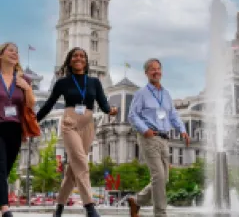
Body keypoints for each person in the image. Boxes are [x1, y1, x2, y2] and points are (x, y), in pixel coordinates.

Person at [36, 47, 117, 217]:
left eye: (81, 56)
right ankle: (89, 206)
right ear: (69, 61)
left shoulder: (94, 82)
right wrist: (33, 121)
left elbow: (103, 104)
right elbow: (49, 104)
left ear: (86, 61)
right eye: (75, 56)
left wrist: (111, 110)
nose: (78, 58)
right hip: (70, 122)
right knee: (81, 161)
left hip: (88, 124)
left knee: (73, 170)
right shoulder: (62, 83)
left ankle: (59, 206)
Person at [128, 58, 190, 217]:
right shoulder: (141, 94)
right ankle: (160, 213)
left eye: (158, 69)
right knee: (159, 176)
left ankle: (137, 201)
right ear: (146, 73)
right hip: (149, 138)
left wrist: (182, 130)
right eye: (152, 69)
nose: (156, 72)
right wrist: (144, 130)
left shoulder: (166, 94)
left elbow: (173, 115)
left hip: (164, 139)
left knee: (164, 179)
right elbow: (132, 115)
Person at [0, 42, 35, 217]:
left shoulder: (23, 79)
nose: (14, 53)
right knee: (0, 165)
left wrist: (27, 88)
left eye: (17, 51)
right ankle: (5, 208)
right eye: (10, 50)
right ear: (1, 55)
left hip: (14, 128)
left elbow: (30, 104)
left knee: (5, 169)